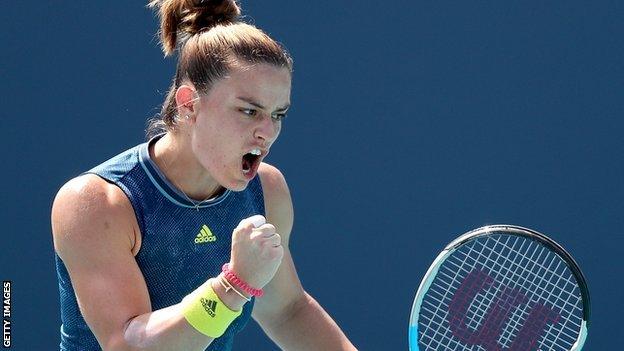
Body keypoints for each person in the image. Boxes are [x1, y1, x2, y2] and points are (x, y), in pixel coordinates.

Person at [51, 1, 357, 350]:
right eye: (248, 110)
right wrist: (234, 286)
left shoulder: (267, 191)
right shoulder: (97, 204)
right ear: (189, 104)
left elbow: (287, 311)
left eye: (278, 115)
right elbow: (127, 344)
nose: (267, 132)